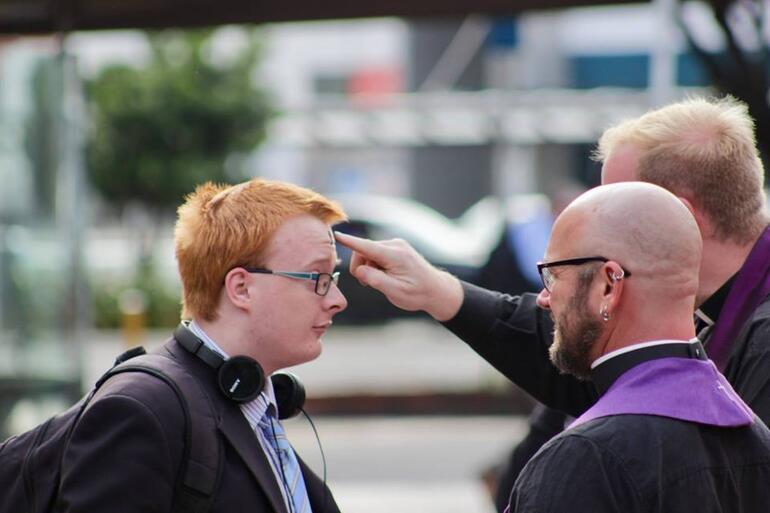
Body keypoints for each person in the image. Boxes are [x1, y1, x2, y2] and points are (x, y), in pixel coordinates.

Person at [335, 96, 770, 501]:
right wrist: (441, 292)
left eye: (610, 206)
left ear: (680, 218)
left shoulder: (591, 455)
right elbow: (593, 352)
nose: (546, 300)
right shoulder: (697, 329)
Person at [57, 179, 348, 512]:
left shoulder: (255, 410)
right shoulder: (140, 410)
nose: (337, 300)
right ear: (242, 288)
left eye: (333, 278)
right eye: (318, 279)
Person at [510, 182, 770, 512]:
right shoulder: (756, 441)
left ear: (608, 285)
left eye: (554, 275)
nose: (544, 298)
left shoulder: (587, 460)